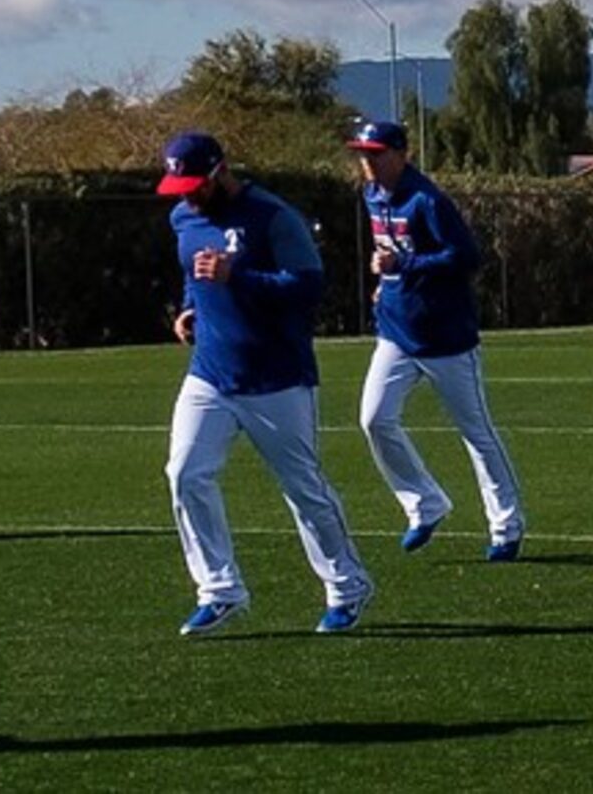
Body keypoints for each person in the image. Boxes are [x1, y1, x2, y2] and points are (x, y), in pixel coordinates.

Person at [156, 130, 375, 636]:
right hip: (210, 373)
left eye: (195, 184)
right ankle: (219, 589)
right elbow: (193, 269)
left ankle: (346, 585)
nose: (187, 194)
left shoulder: (273, 217)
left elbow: (309, 286)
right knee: (185, 473)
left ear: (219, 172)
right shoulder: (183, 217)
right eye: (180, 186)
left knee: (304, 491)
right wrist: (190, 306)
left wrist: (242, 277)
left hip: (276, 377)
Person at [352, 119, 526, 561]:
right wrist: (386, 283)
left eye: (376, 152)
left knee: (476, 434)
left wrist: (404, 265)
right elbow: (389, 254)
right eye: (363, 153)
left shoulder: (427, 200)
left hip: (446, 337)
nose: (367, 161)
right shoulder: (372, 195)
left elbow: (466, 256)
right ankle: (424, 504)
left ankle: (506, 526)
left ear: (400, 153)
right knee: (374, 419)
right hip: (395, 332)